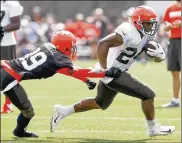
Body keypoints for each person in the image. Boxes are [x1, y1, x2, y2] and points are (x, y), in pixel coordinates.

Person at [50, 6, 175, 137]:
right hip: (112, 73)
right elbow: (102, 44)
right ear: (137, 23)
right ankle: (153, 128)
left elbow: (145, 50)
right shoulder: (128, 31)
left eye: (151, 23)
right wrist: (105, 70)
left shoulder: (143, 34)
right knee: (148, 95)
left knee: (100, 103)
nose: (150, 27)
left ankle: (63, 111)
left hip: (115, 72)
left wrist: (157, 56)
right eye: (147, 24)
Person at [0, 30, 121, 138]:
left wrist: (85, 80)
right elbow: (76, 70)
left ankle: (19, 131)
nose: (73, 49)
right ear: (66, 46)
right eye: (72, 46)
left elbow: (64, 70)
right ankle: (20, 131)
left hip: (6, 69)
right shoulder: (59, 59)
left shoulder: (48, 47)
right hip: (9, 77)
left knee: (28, 111)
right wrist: (105, 73)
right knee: (28, 111)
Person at [1, 0, 24, 114]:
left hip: (6, 44)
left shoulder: (12, 4)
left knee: (8, 75)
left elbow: (16, 24)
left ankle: (8, 104)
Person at [161, 0, 181, 108]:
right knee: (174, 72)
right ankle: (175, 100)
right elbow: (165, 26)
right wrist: (167, 26)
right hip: (173, 41)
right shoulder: (170, 9)